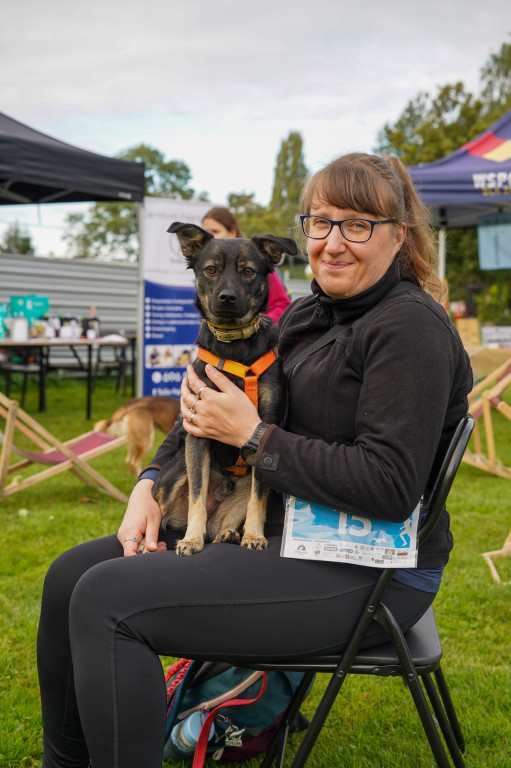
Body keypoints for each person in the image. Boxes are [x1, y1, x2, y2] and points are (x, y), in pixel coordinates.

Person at [37, 153, 472, 768]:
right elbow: (204, 402)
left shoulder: (409, 330)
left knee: (107, 600)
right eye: (319, 222)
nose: (332, 242)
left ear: (399, 235)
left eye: (357, 225)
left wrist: (254, 438)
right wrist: (150, 480)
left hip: (371, 570)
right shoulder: (303, 314)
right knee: (67, 579)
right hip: (285, 530)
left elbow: (390, 486)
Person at [201, 206, 291, 322]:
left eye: (215, 231)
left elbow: (281, 305)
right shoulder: (205, 261)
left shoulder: (257, 259)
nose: (210, 237)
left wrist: (257, 329)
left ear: (232, 232)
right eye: (206, 232)